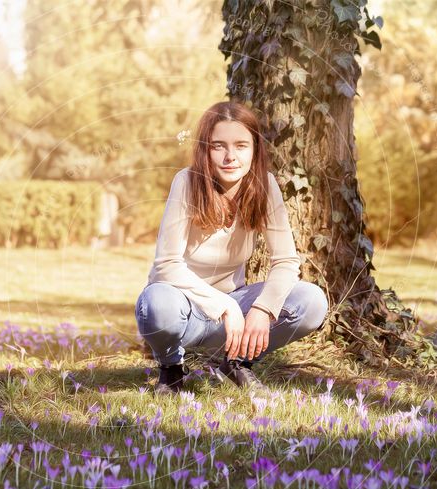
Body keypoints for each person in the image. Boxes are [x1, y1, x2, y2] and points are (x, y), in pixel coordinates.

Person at [135, 101, 329, 394]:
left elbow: (287, 261)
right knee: (156, 303)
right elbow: (166, 265)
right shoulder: (186, 182)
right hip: (184, 308)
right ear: (205, 149)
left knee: (311, 301)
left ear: (254, 150)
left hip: (234, 311)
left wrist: (262, 309)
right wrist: (224, 306)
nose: (230, 157)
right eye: (218, 146)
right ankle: (171, 367)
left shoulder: (265, 185)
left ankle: (236, 362)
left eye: (241, 145)